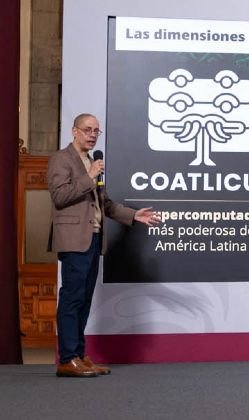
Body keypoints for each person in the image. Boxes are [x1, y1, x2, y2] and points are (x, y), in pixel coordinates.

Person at [48, 113, 162, 377]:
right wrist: (89, 176)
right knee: (72, 297)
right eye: (87, 129)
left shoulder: (92, 162)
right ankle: (67, 358)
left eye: (96, 131)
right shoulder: (61, 159)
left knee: (85, 298)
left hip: (94, 238)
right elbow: (59, 196)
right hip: (73, 239)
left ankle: (78, 355)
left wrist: (133, 215)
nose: (92, 135)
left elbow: (105, 204)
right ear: (74, 131)